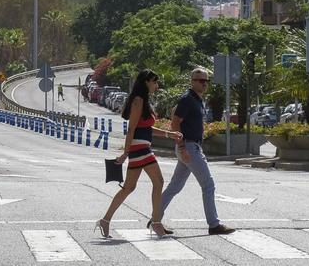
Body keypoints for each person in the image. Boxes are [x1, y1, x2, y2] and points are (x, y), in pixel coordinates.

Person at [96, 70, 181, 240]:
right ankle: (156, 223)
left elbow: (146, 128)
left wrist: (168, 134)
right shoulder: (138, 100)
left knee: (129, 187)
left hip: (141, 148)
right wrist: (125, 153)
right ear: (146, 82)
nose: (157, 86)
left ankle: (105, 220)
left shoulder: (144, 101)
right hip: (139, 149)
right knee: (159, 182)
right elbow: (132, 129)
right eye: (154, 82)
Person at [158, 68, 236, 236]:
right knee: (208, 185)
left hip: (191, 147)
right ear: (192, 81)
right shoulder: (188, 99)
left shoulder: (198, 100)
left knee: (174, 187)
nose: (204, 84)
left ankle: (155, 218)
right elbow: (175, 122)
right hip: (188, 147)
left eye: (206, 81)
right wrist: (182, 147)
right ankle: (214, 224)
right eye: (201, 81)